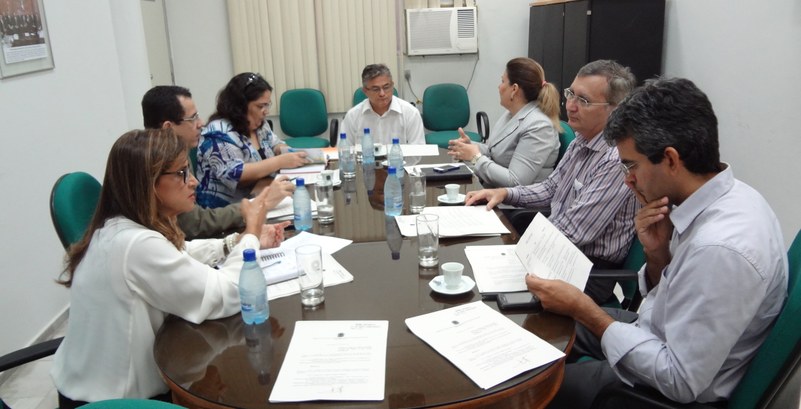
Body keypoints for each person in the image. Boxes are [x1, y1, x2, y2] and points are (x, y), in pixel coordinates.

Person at [531, 78, 788, 408]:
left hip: (666, 389)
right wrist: (657, 253)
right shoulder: (723, 195)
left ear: (670, 159)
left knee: (536, 386)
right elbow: (672, 297)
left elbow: (679, 380)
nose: (628, 179)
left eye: (631, 165)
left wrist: (586, 310)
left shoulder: (721, 248)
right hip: (656, 332)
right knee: (543, 324)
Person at [51, 129, 291, 407]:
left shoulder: (116, 228)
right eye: (181, 173)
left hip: (89, 386)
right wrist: (251, 232)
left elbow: (178, 254)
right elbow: (230, 293)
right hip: (112, 403)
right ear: (149, 184)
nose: (193, 181)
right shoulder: (136, 245)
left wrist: (234, 242)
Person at [465, 60, 639, 304]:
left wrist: (520, 249)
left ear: (615, 110)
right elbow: (551, 188)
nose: (571, 105)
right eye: (571, 94)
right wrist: (504, 193)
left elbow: (575, 230)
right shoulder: (582, 140)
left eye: (584, 100)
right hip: (557, 250)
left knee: (483, 292)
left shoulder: (615, 159)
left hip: (585, 270)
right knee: (476, 273)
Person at [142, 85, 293, 239]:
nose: (200, 123)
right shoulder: (157, 165)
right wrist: (256, 205)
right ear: (168, 127)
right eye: (192, 119)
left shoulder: (176, 153)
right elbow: (193, 223)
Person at [196, 73, 309, 208]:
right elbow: (234, 173)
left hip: (261, 195)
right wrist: (280, 161)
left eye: (267, 105)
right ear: (240, 106)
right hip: (228, 210)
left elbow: (275, 143)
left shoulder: (259, 123)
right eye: (260, 106)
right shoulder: (217, 132)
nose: (266, 111)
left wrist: (283, 150)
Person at [447, 57, 560, 188]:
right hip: (494, 190)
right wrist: (470, 146)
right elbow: (494, 151)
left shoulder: (539, 126)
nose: (499, 87)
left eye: (502, 81)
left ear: (514, 89)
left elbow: (515, 181)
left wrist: (475, 157)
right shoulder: (511, 113)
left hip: (518, 199)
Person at [340, 63, 425, 145]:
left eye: (386, 87)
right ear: (365, 91)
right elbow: (344, 149)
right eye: (376, 89)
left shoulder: (410, 113)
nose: (382, 94)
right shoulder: (353, 116)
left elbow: (417, 150)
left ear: (392, 86)